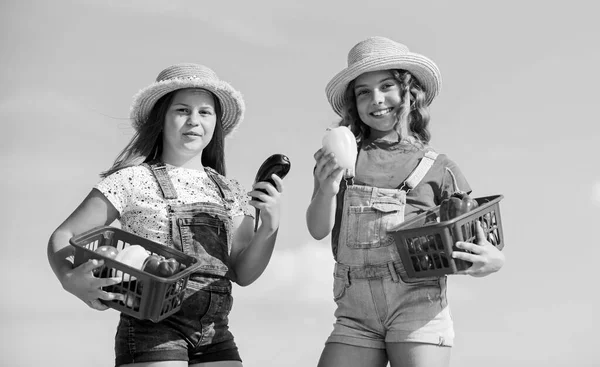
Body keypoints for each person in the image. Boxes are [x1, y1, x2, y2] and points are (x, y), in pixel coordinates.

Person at [47, 63, 283, 367]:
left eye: (205, 112)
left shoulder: (229, 190)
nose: (194, 121)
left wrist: (269, 227)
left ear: (216, 122)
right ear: (161, 118)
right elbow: (63, 236)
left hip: (214, 333)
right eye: (182, 110)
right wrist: (69, 279)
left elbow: (243, 273)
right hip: (151, 330)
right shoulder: (131, 179)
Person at [306, 37, 505, 367]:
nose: (377, 99)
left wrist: (493, 261)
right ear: (354, 105)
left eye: (387, 86)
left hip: (418, 308)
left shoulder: (439, 167)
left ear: (409, 93)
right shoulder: (345, 159)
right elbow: (317, 229)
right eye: (363, 92)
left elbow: (477, 236)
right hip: (354, 313)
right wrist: (325, 187)